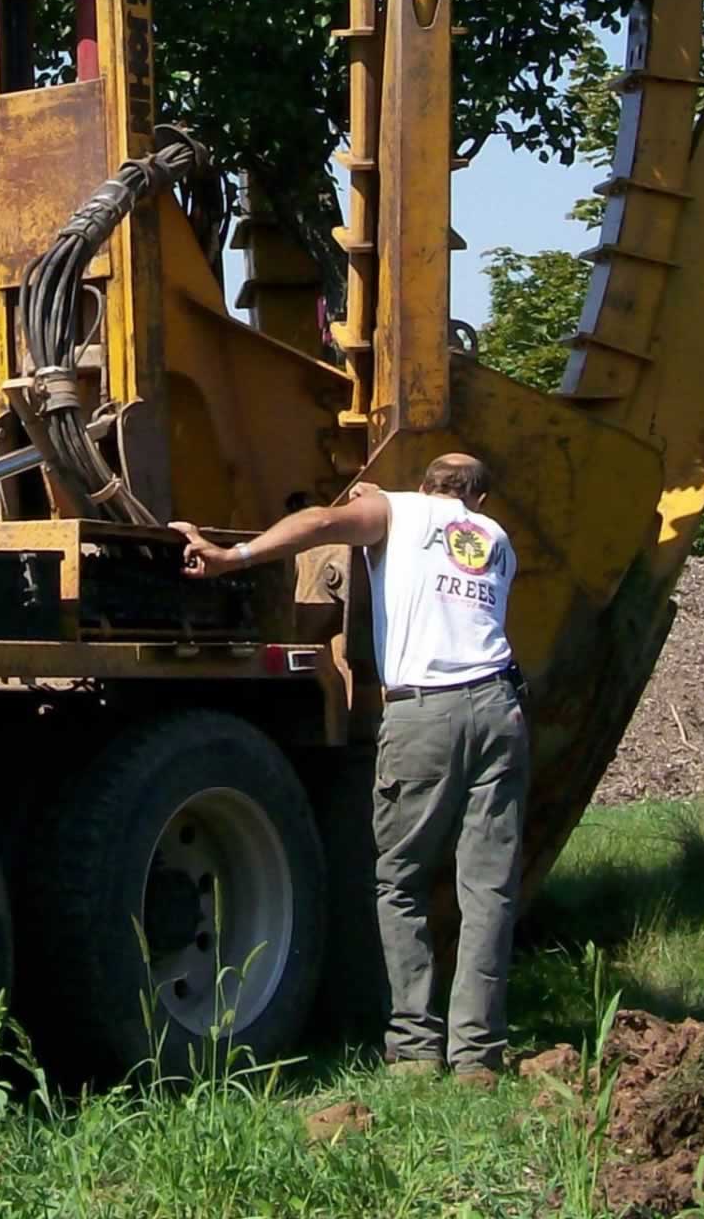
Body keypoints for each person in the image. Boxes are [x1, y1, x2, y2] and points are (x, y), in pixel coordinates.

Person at [173, 451, 527, 1081]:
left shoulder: (400, 512)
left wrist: (237, 557)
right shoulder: (496, 540)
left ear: (424, 485)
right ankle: (478, 1056)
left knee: (401, 882)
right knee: (488, 889)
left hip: (427, 716)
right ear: (480, 498)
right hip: (500, 711)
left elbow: (318, 524)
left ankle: (417, 1048)